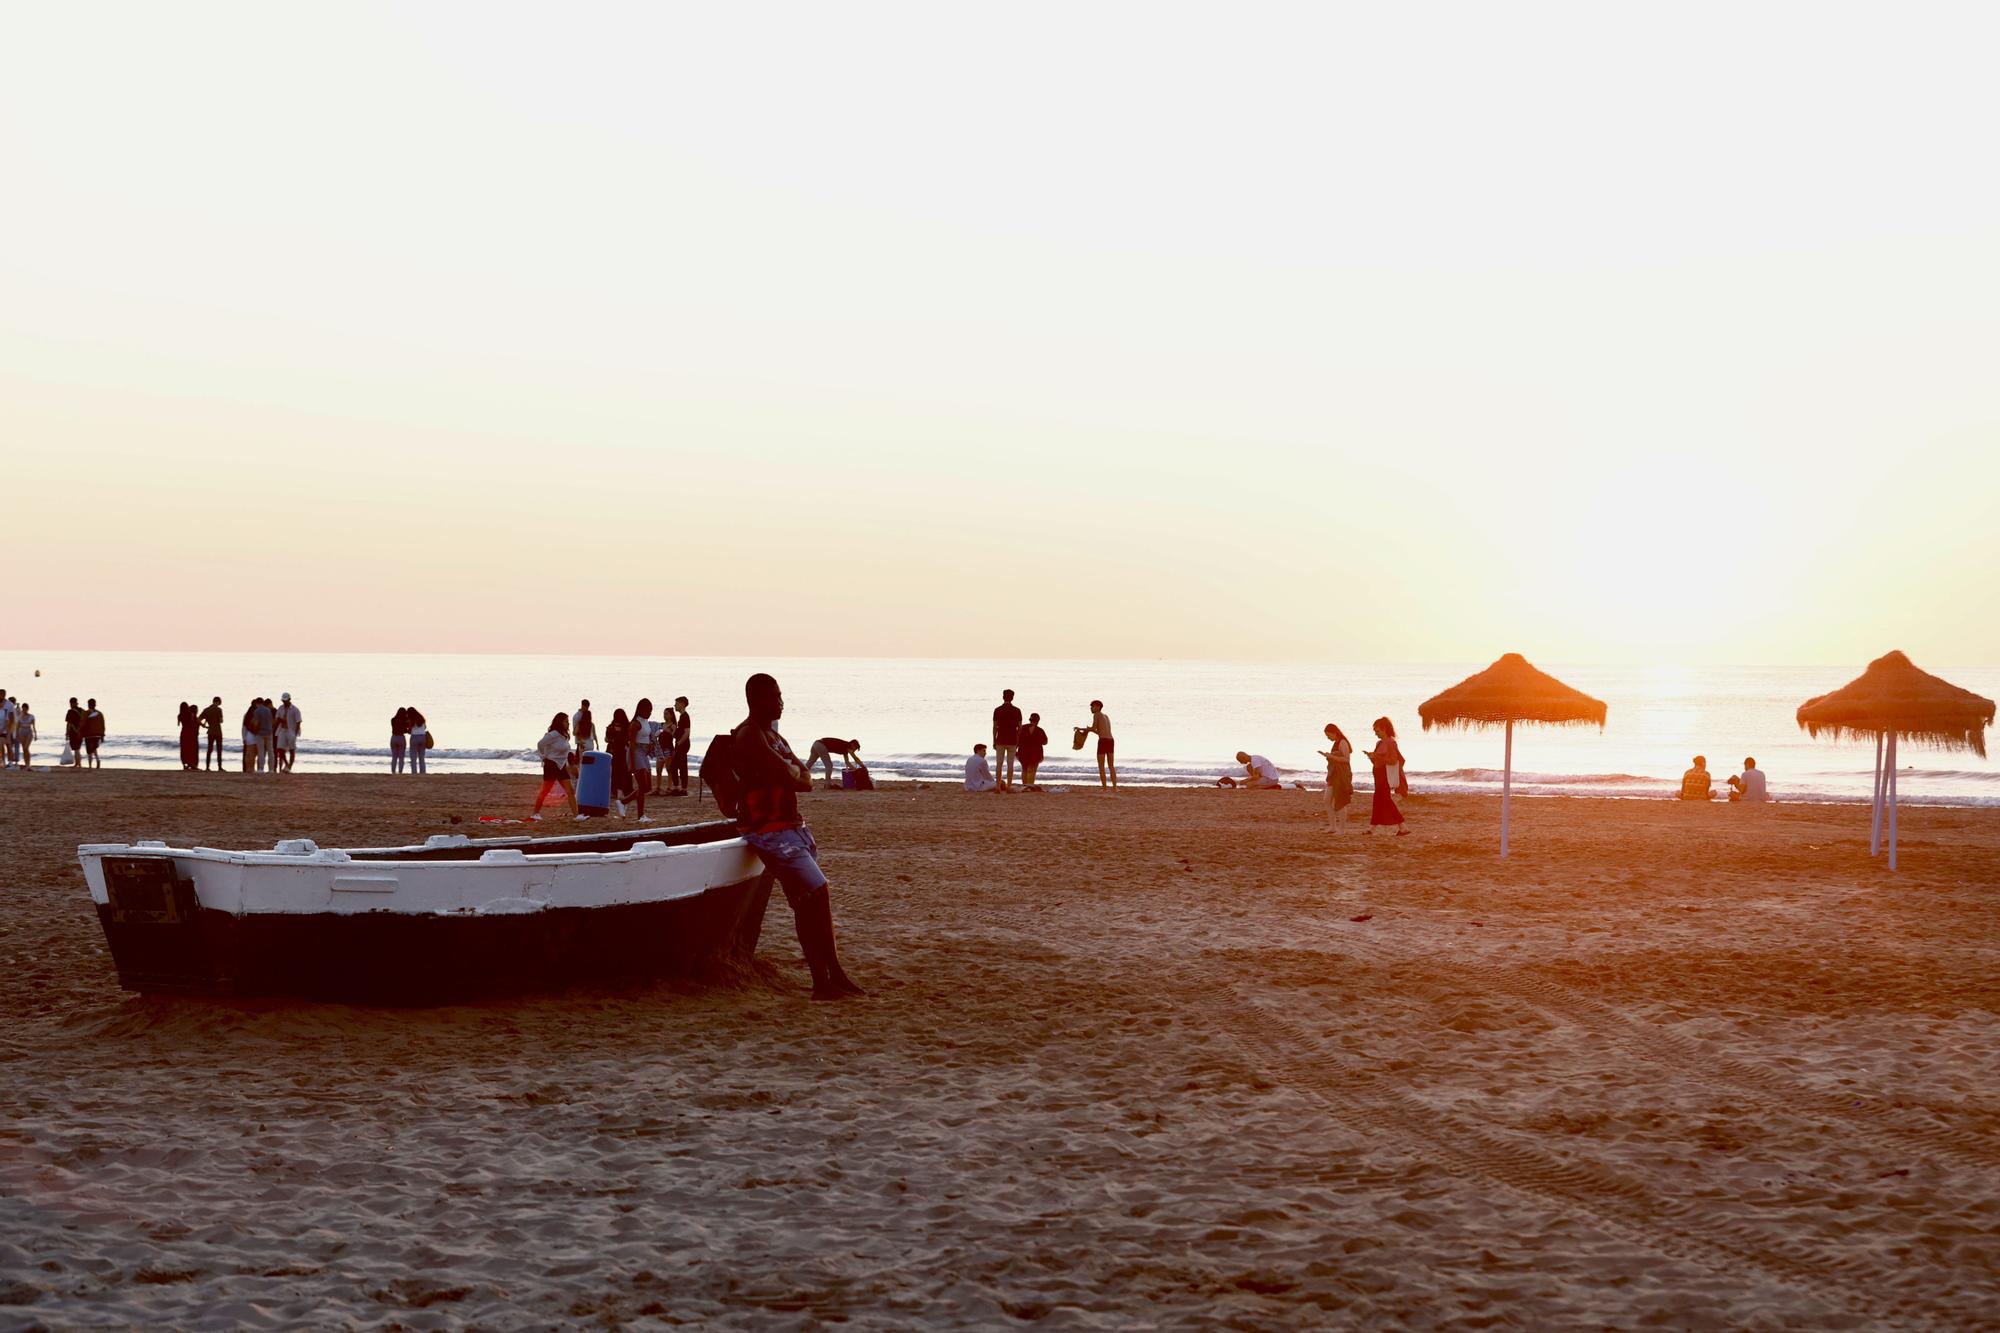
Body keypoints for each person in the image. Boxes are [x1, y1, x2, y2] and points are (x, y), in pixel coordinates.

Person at [728, 673, 864, 1000]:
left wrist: (791, 772)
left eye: (780, 695)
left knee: (809, 901)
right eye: (774, 696)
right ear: (756, 699)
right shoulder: (749, 735)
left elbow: (804, 777)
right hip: (768, 830)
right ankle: (824, 978)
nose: (780, 702)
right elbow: (792, 775)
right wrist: (791, 772)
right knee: (817, 889)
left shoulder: (774, 737)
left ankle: (830, 976)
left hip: (790, 827)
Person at [1365, 717, 1406, 835]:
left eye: (1377, 731)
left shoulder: (1391, 742)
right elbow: (1377, 762)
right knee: (1378, 801)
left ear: (1384, 729)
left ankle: (1402, 826)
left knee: (1384, 801)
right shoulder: (1379, 743)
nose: (1376, 733)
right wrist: (1372, 757)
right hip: (1378, 774)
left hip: (1385, 775)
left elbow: (1393, 760)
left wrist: (1377, 757)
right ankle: (1373, 828)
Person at [533, 712, 578, 816]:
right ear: (560, 722)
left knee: (570, 791)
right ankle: (535, 813)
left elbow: (565, 750)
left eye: (568, 721)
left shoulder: (564, 735)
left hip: (561, 765)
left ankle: (577, 815)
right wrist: (543, 756)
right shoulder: (553, 734)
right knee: (545, 791)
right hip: (551, 765)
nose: (568, 724)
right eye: (566, 721)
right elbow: (540, 744)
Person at [1319, 723, 1354, 831]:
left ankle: (1341, 829)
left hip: (1341, 775)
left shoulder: (1342, 742)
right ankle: (1333, 827)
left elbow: (1346, 760)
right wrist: (1328, 756)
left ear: (1334, 732)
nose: (1328, 737)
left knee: (1341, 801)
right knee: (1327, 800)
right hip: (1333, 775)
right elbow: (1336, 758)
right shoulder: (1336, 743)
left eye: (1328, 735)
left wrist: (1331, 756)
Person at [991, 689, 1023, 791]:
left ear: (1003, 697)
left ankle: (997, 786)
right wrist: (1018, 739)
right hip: (1012, 739)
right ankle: (1009, 786)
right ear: (1012, 698)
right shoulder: (1017, 710)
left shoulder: (997, 710)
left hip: (1000, 738)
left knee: (999, 764)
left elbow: (995, 726)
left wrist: (994, 740)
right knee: (1010, 764)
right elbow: (1020, 727)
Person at [1083, 700, 1117, 791]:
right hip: (1110, 740)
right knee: (1111, 765)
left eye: (1092, 707)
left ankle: (1105, 788)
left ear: (1098, 707)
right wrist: (1088, 729)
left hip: (1103, 741)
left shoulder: (1096, 714)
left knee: (1101, 765)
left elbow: (1094, 728)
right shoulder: (1106, 716)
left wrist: (1084, 729)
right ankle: (1115, 788)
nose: (1091, 708)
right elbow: (1100, 731)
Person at [632, 698, 659, 801]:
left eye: (651, 710)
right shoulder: (636, 723)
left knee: (647, 787)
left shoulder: (645, 722)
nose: (650, 713)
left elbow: (647, 737)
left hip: (644, 754)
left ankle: (623, 802)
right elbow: (632, 744)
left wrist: (651, 744)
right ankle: (641, 815)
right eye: (648, 710)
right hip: (636, 753)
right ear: (641, 709)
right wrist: (633, 764)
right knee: (643, 785)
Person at [667, 696, 692, 796]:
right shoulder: (682, 716)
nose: (675, 705)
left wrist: (680, 742)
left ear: (682, 704)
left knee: (674, 766)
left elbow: (687, 732)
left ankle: (678, 787)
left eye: (676, 703)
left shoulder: (685, 716)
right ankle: (682, 788)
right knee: (682, 766)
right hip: (681, 744)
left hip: (683, 744)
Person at [1017, 712, 1049, 790]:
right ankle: (1030, 786)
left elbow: (1016, 739)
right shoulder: (1040, 730)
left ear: (1030, 719)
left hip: (1023, 751)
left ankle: (1024, 786)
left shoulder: (1022, 728)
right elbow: (1045, 742)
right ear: (1038, 721)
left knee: (1024, 769)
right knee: (1032, 770)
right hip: (1035, 752)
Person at [249, 696, 276, 774]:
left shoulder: (257, 711)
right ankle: (271, 769)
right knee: (271, 751)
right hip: (269, 732)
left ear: (257, 703)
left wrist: (254, 730)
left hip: (260, 733)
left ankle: (261, 768)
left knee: (261, 751)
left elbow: (256, 722)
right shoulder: (268, 710)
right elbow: (272, 721)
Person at [276, 693, 302, 773]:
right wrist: (281, 719)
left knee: (291, 749)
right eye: (283, 701)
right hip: (282, 730)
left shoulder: (295, 709)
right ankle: (287, 764)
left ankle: (289, 766)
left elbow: (298, 722)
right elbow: (277, 718)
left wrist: (295, 733)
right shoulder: (280, 708)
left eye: (285, 700)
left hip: (291, 730)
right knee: (280, 749)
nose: (284, 702)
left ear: (289, 700)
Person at [199, 697, 225, 771]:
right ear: (217, 702)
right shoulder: (219, 710)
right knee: (219, 749)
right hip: (218, 731)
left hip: (210, 731)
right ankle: (219, 767)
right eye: (220, 702)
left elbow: (198, 719)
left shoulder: (206, 710)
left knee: (209, 749)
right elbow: (221, 721)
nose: (220, 703)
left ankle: (207, 767)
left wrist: (203, 725)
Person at [81, 699, 106, 770]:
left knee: (89, 750)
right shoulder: (100, 714)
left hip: (88, 734)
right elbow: (102, 725)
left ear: (88, 704)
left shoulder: (86, 713)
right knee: (94, 748)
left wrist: (80, 732)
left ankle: (90, 765)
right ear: (95, 704)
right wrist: (102, 735)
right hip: (97, 734)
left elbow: (82, 723)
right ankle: (97, 760)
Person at [177, 702, 199, 771]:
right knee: (191, 749)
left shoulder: (179, 715)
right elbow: (192, 723)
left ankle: (184, 765)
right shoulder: (190, 714)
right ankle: (192, 764)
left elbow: (178, 724)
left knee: (183, 749)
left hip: (183, 733)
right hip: (190, 733)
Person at [406, 706, 428, 774]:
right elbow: (425, 728)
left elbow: (409, 731)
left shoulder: (410, 720)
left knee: (413, 757)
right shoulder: (422, 719)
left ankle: (414, 772)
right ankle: (423, 772)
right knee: (421, 757)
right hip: (423, 737)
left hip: (414, 737)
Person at [64, 698, 83, 768]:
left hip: (73, 732)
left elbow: (69, 723)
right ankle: (79, 763)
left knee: (76, 749)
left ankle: (77, 764)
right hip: (81, 732)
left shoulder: (70, 711)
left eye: (70, 703)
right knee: (78, 748)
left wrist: (67, 733)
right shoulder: (81, 710)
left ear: (71, 703)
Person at [390, 707, 410, 774]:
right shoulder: (404, 721)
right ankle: (400, 772)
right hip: (401, 738)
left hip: (394, 737)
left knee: (394, 757)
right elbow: (406, 730)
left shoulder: (393, 719)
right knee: (401, 757)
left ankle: (393, 771)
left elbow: (395, 728)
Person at [13, 703, 32, 770]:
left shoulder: (31, 716)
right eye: (23, 708)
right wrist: (16, 735)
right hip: (21, 732)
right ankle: (26, 764)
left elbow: (34, 726)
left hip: (29, 732)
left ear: (27, 708)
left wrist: (35, 735)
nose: (24, 710)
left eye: (25, 708)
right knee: (24, 749)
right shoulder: (20, 717)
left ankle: (28, 764)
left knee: (26, 748)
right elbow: (17, 727)